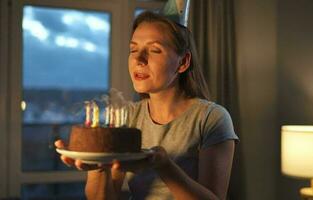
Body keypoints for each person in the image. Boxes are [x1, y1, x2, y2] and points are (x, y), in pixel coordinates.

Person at [55, 11, 238, 200]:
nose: (138, 59)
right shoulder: (128, 117)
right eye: (133, 50)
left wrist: (164, 165)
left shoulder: (211, 118)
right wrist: (99, 166)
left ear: (182, 62)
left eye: (154, 50)